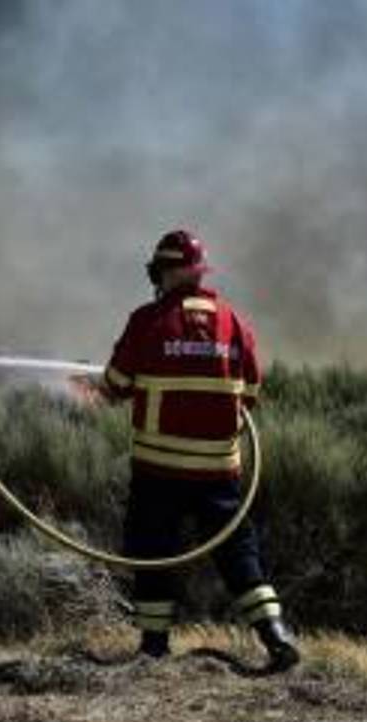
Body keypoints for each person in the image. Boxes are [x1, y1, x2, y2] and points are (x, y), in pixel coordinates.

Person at [100, 229, 300, 672]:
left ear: (165, 272)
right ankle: (276, 635)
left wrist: (112, 386)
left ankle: (153, 648)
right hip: (218, 471)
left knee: (153, 552)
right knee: (239, 555)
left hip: (158, 469)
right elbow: (249, 394)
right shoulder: (234, 323)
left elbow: (114, 386)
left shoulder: (147, 321)